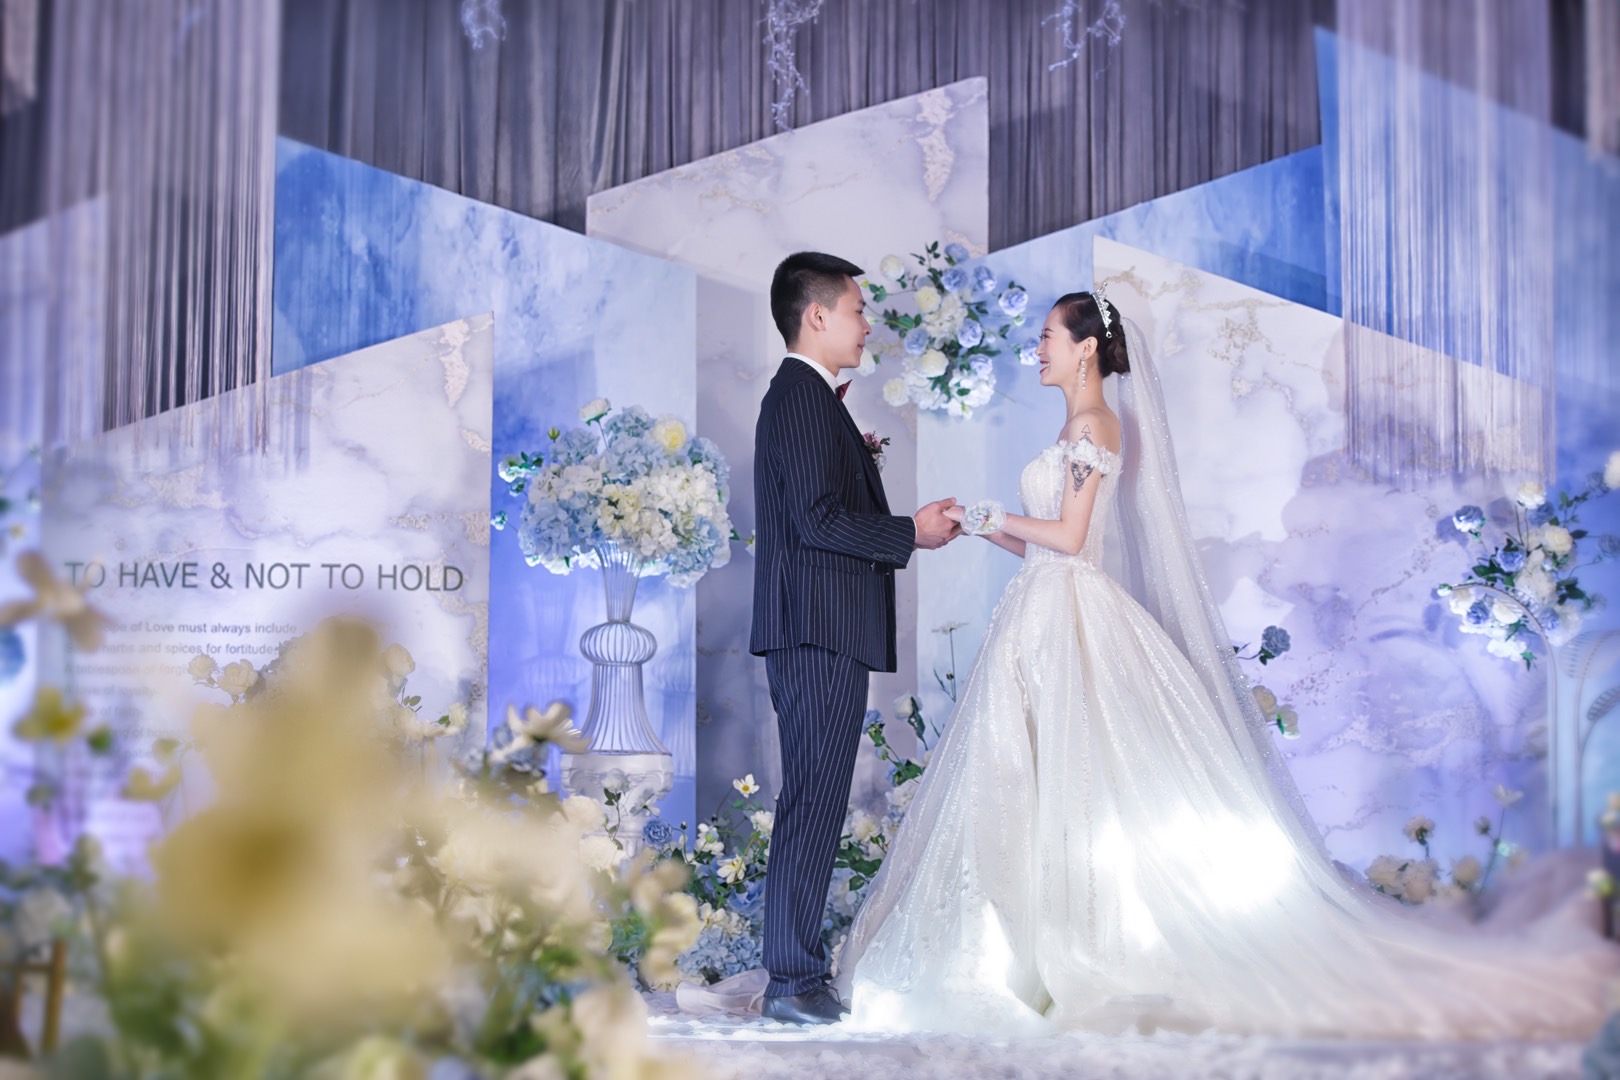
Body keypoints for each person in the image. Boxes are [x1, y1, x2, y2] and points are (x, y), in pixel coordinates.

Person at [833, 290, 1619, 1038]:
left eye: (1046, 336)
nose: (1036, 349)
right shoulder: (1076, 426)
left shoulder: (1097, 423)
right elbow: (1048, 546)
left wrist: (990, 512)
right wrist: (982, 526)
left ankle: (1083, 940)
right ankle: (1022, 941)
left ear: (1085, 349)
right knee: (1023, 775)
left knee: (1079, 773)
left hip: (1069, 614)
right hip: (1041, 610)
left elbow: (1072, 540)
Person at [749, 251, 961, 1025]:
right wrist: (912, 532)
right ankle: (791, 979)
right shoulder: (800, 397)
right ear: (818, 316)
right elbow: (817, 520)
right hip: (817, 628)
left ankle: (796, 974)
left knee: (817, 795)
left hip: (821, 627)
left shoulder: (812, 398)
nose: (868, 324)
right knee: (813, 797)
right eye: (858, 310)